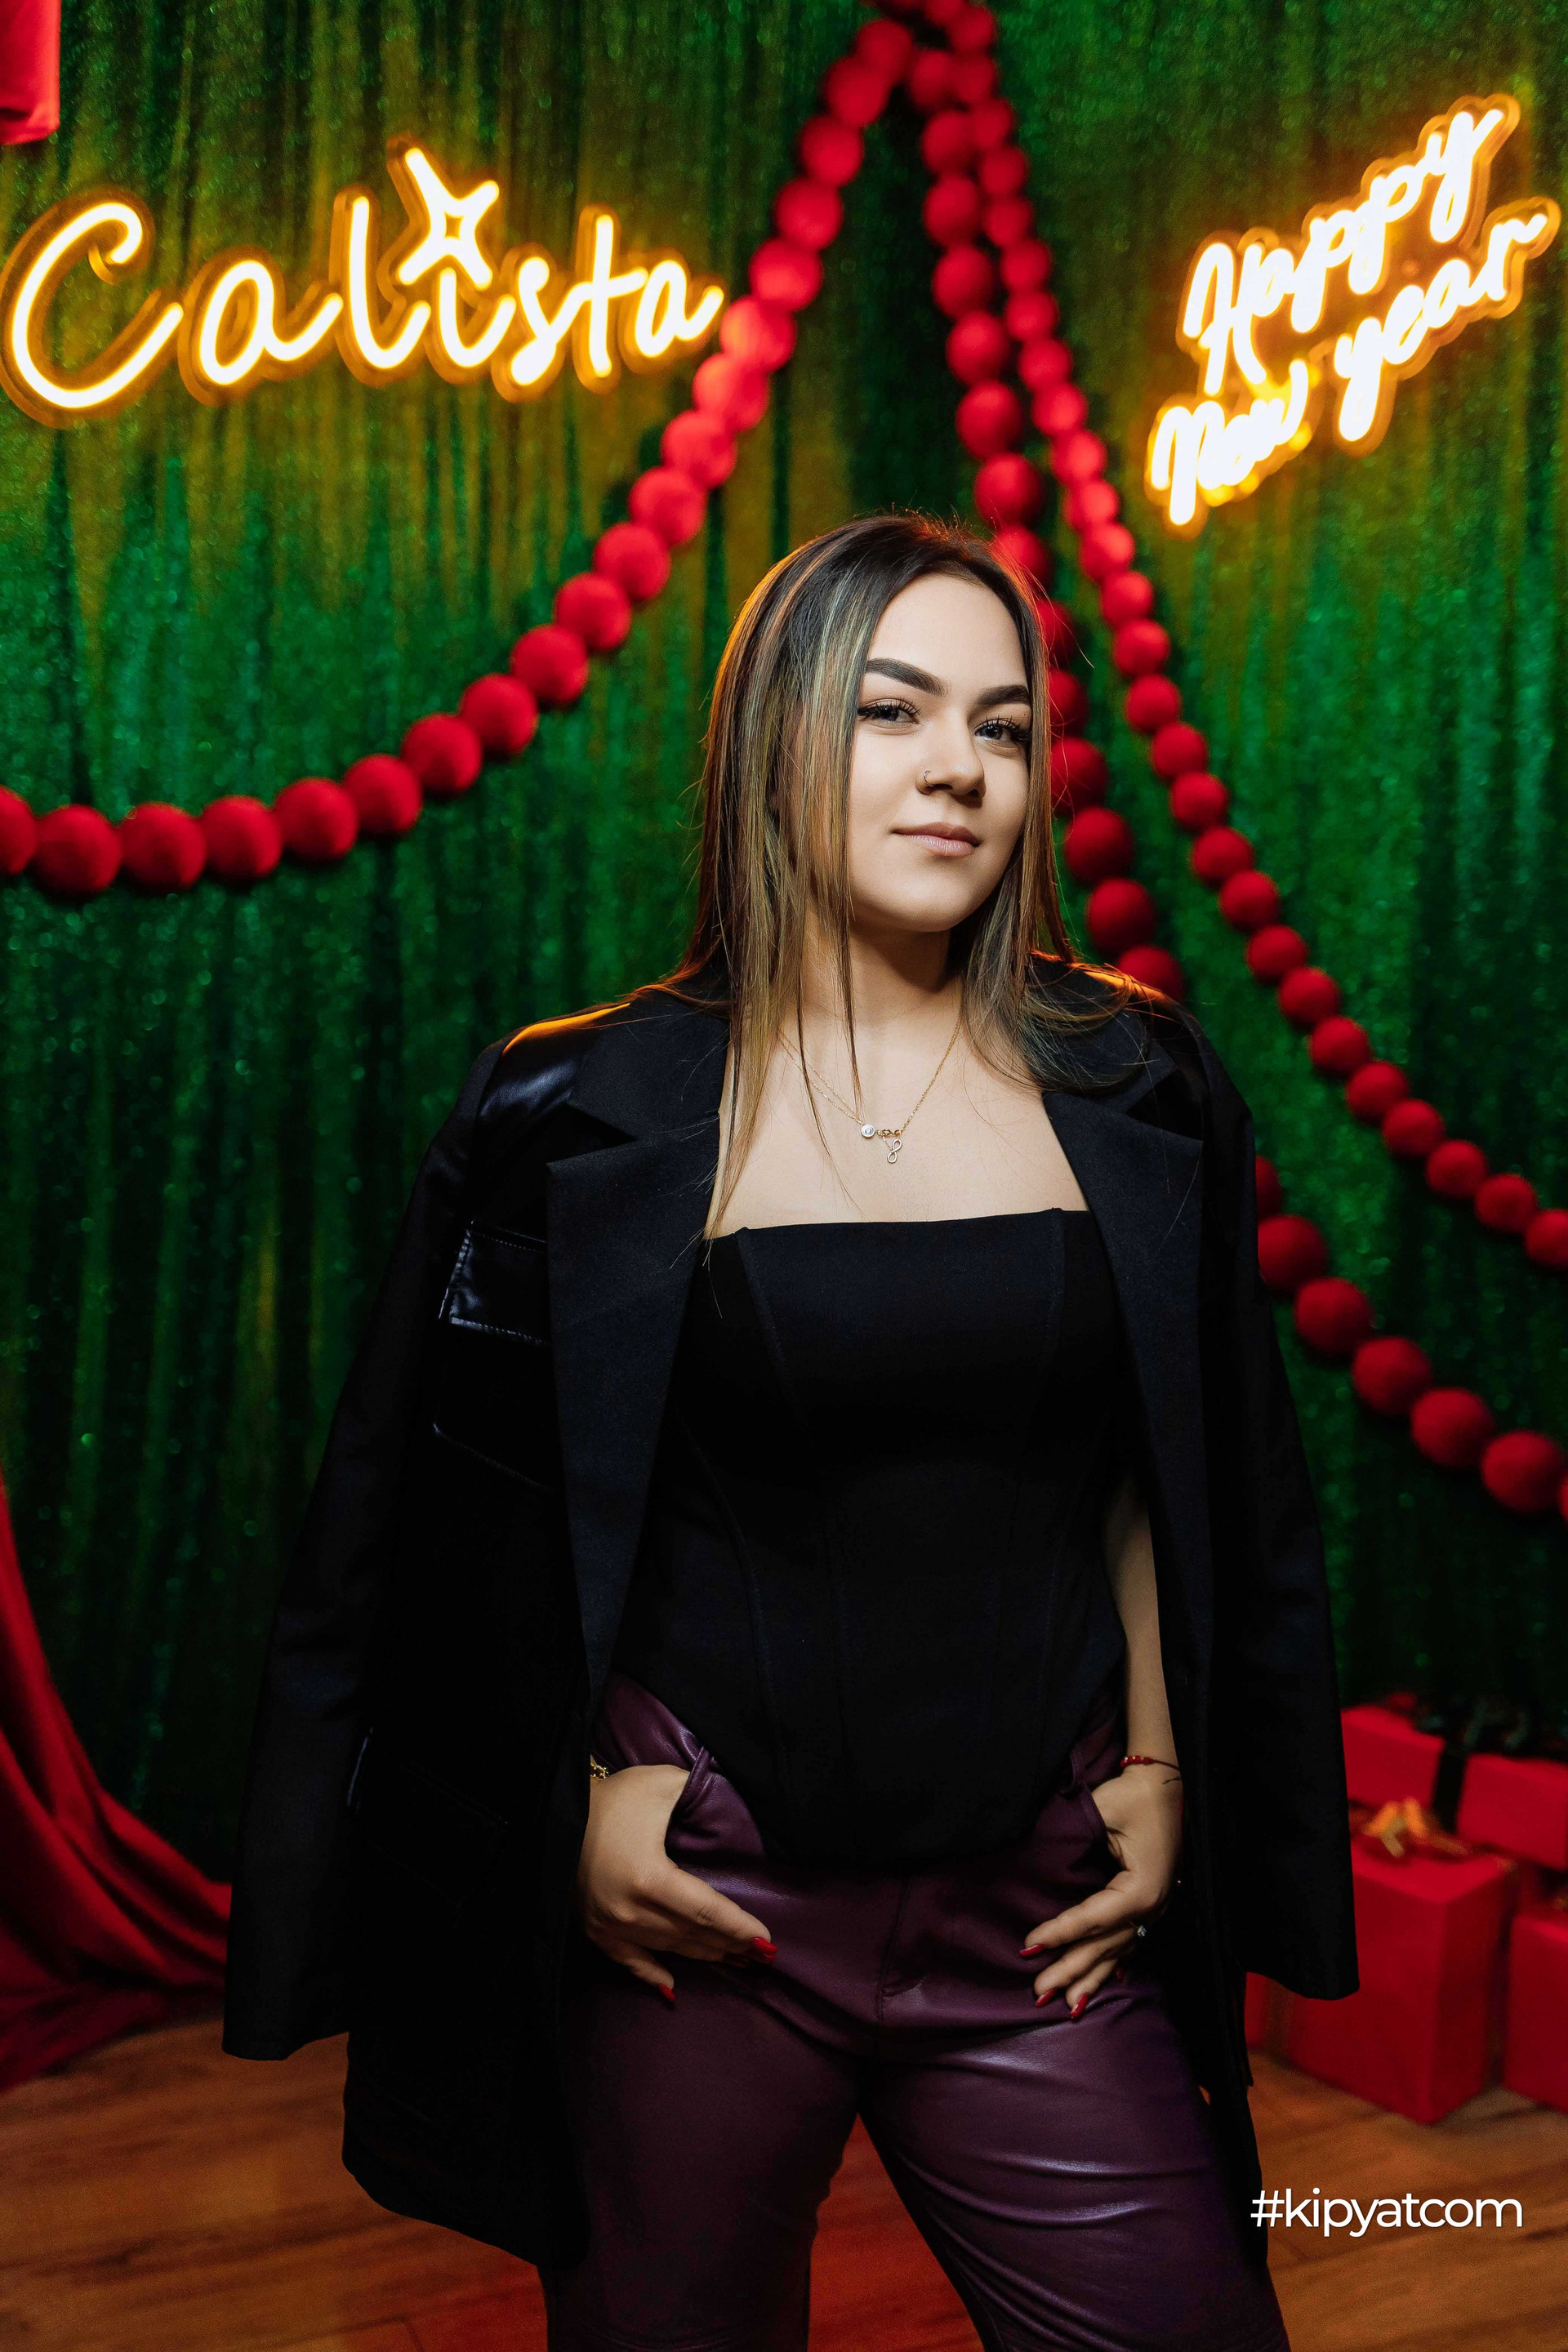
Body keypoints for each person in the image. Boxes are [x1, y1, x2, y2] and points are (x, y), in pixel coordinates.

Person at [224, 514, 1356, 2351]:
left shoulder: (1142, 1081)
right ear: (775, 738)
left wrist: (1158, 1757)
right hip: (707, 1916)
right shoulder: (569, 1107)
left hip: (1041, 1915)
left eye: (1001, 726)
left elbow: (1166, 1465)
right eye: (892, 711)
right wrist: (580, 1795)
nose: (957, 769)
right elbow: (463, 1530)